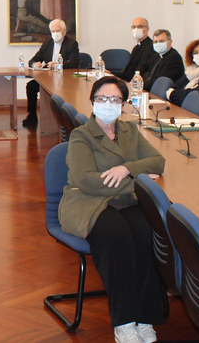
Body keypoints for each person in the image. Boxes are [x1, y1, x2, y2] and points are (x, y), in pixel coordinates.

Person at [59, 76, 166, 343]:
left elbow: (158, 161)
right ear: (92, 102)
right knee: (117, 238)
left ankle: (145, 317)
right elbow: (86, 180)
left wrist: (126, 169)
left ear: (123, 104)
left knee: (147, 234)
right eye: (102, 98)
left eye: (115, 99)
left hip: (125, 200)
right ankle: (124, 322)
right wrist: (136, 181)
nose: (108, 104)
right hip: (87, 202)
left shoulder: (129, 130)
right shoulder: (81, 135)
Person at [21, 18, 80, 128]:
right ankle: (32, 115)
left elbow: (74, 62)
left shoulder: (72, 44)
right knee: (31, 86)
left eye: (57, 31)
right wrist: (35, 64)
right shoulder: (47, 44)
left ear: (64, 31)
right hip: (47, 79)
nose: (55, 34)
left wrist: (58, 65)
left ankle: (67, 118)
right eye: (53, 31)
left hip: (65, 80)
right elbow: (32, 60)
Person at [119, 18, 156, 82]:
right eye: (134, 27)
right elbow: (128, 71)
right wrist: (111, 74)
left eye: (140, 27)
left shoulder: (152, 47)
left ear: (147, 29)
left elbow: (143, 71)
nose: (136, 29)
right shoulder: (136, 48)